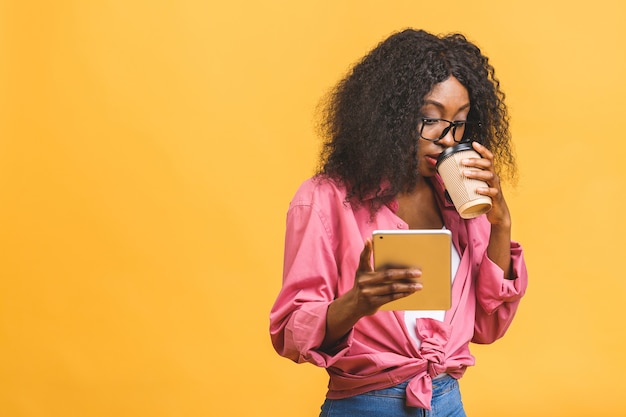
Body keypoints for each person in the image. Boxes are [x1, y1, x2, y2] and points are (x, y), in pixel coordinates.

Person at [269, 28, 528, 417]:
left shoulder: (458, 198)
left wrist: (501, 224)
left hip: (448, 402)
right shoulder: (324, 200)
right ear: (389, 115)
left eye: (459, 122)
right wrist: (356, 303)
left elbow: (488, 329)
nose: (446, 138)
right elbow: (290, 333)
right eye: (431, 118)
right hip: (366, 405)